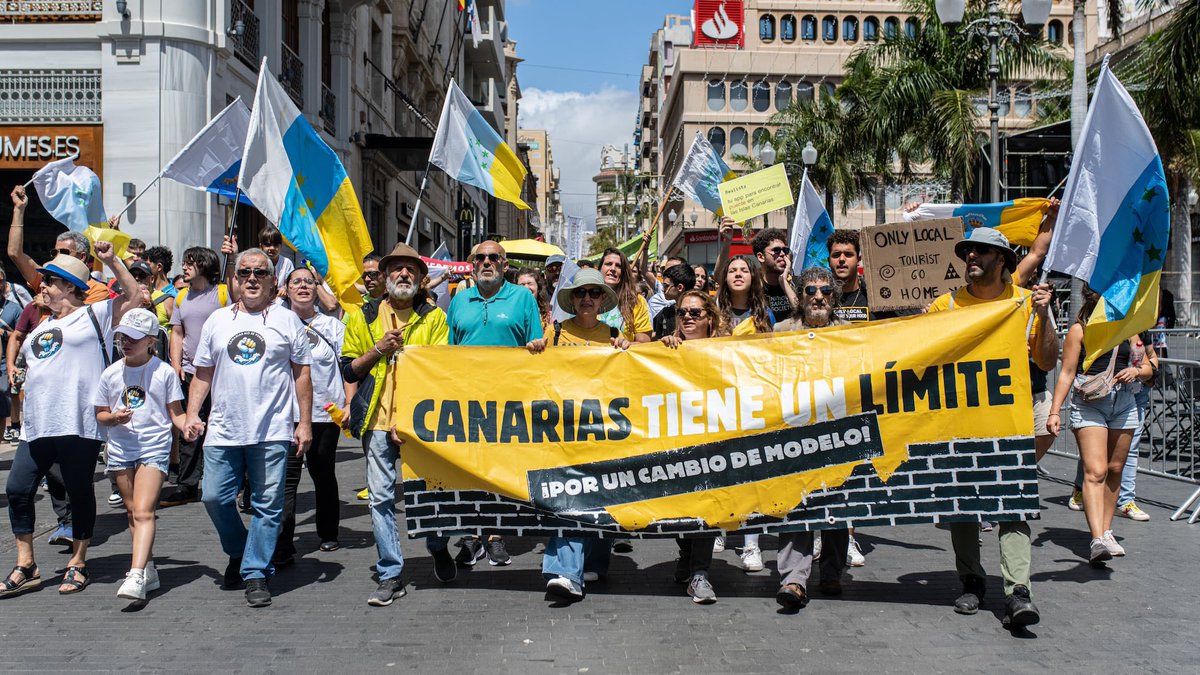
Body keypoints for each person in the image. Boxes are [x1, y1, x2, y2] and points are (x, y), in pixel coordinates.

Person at [927, 227, 1055, 628]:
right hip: (960, 424)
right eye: (968, 252)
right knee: (964, 507)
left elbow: (1048, 361)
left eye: (981, 251)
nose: (972, 258)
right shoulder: (944, 307)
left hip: (1010, 423)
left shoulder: (1024, 304)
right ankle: (971, 581)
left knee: (1013, 505)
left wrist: (1046, 313)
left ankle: (1019, 592)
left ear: (1003, 260)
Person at [2, 241, 140, 597]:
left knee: (79, 492)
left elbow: (135, 295)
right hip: (37, 425)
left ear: (68, 286)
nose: (42, 287)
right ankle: (26, 564)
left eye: (49, 281)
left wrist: (111, 260)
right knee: (18, 489)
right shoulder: (39, 325)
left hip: (78, 423)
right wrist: (20, 372)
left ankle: (78, 561)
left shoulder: (96, 315)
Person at [185, 247, 313, 608]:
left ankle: (256, 571)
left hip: (272, 429)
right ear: (236, 279)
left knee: (268, 504)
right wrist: (193, 413)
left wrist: (304, 423)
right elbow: (203, 373)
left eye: (260, 273)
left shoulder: (287, 320)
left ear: (274, 281)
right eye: (245, 272)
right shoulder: (217, 320)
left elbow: (302, 374)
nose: (252, 278)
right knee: (214, 496)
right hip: (224, 429)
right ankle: (240, 552)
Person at [342, 242, 452, 606]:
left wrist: (405, 417)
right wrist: (378, 349)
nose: (403, 274)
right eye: (396, 269)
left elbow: (437, 373)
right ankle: (391, 572)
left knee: (429, 493)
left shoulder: (434, 318)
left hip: (417, 423)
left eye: (411, 269)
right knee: (381, 499)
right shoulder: (363, 315)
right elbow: (349, 368)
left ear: (422, 279)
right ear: (385, 277)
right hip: (376, 421)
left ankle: (437, 546)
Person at [529, 268, 628, 600]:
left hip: (603, 430)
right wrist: (535, 349)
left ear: (602, 300)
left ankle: (595, 562)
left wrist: (628, 352)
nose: (587, 298)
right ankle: (565, 572)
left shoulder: (613, 334)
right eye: (581, 293)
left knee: (601, 494)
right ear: (572, 299)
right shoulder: (554, 332)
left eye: (594, 293)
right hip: (564, 430)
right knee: (571, 496)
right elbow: (536, 373)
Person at [447, 240, 543, 567]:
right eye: (480, 258)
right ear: (472, 265)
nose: (486, 262)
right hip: (467, 404)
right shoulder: (458, 302)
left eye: (494, 258)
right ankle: (473, 537)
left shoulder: (523, 299)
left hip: (509, 404)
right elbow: (447, 354)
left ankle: (497, 536)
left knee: (502, 472)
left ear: (504, 265)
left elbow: (537, 347)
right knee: (470, 471)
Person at [1048, 287, 1152, 563]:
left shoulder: (1129, 328)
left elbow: (1149, 367)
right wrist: (1055, 411)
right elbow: (1066, 373)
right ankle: (1096, 539)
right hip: (1090, 403)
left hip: (1125, 402)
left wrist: (1136, 370)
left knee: (1115, 469)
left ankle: (1106, 531)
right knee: (1095, 471)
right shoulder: (1079, 331)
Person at [93, 309, 187, 601]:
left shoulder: (164, 372)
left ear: (150, 341)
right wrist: (114, 418)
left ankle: (135, 574)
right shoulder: (111, 373)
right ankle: (148, 567)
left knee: (144, 511)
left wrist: (191, 426)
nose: (125, 342)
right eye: (122, 336)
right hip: (121, 449)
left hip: (153, 447)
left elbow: (176, 415)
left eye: (133, 338)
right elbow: (100, 414)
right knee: (133, 513)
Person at [772, 267, 852, 608]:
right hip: (795, 432)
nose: (818, 296)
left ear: (834, 298)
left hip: (838, 431)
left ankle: (832, 571)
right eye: (810, 291)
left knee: (837, 504)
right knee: (795, 504)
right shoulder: (781, 331)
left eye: (825, 291)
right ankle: (794, 579)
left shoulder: (851, 334)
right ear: (800, 297)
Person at [275, 266, 351, 565]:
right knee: (287, 481)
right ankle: (283, 545)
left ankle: (328, 532)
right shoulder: (276, 324)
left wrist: (348, 404)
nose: (304, 286)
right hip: (286, 415)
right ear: (286, 288)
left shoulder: (333, 327)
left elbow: (347, 370)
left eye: (310, 282)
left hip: (323, 414)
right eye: (297, 282)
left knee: (322, 474)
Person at [660, 290, 728, 604]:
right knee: (678, 509)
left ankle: (700, 573)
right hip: (675, 442)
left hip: (712, 445)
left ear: (710, 318)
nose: (688, 317)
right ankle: (687, 552)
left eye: (695, 313)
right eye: (683, 312)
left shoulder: (726, 350)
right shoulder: (665, 349)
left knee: (706, 505)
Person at [161, 247, 230, 507]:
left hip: (222, 372)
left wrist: (231, 256)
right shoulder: (181, 297)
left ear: (204, 264)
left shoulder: (223, 293)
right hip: (191, 372)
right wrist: (176, 364)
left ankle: (228, 482)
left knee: (221, 426)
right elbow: (177, 333)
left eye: (190, 263)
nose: (185, 268)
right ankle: (187, 485)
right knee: (190, 428)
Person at [1068, 332, 1158, 522]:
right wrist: (1054, 412)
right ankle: (1082, 492)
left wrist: (1140, 371)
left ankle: (1124, 502)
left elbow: (1150, 357)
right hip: (1098, 393)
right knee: (1096, 460)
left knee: (1122, 459)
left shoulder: (1138, 327)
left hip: (1132, 394)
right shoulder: (1090, 326)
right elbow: (1068, 370)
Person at [8, 186, 110, 305]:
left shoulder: (97, 290)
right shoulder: (46, 279)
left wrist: (49, 303)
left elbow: (84, 315)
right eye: (55, 252)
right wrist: (18, 209)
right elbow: (14, 253)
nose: (57, 257)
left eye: (64, 252)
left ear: (82, 256)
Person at [596, 248, 652, 343]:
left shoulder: (636, 301)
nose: (613, 269)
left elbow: (644, 341)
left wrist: (626, 345)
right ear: (600, 268)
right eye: (608, 264)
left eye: (618, 266)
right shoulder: (585, 296)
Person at [715, 254, 773, 337]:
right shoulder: (714, 313)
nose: (738, 274)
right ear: (725, 278)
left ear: (752, 277)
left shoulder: (765, 314)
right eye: (732, 271)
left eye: (744, 271)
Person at [750, 225, 799, 317]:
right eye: (776, 250)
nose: (782, 254)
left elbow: (803, 315)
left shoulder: (795, 283)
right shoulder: (753, 285)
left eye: (785, 250)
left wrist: (784, 282)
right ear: (761, 257)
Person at [826, 230, 872, 323]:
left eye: (848, 254)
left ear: (858, 260)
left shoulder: (873, 298)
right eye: (836, 255)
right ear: (829, 261)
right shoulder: (819, 299)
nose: (842, 259)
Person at [652, 262, 696, 340]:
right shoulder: (664, 314)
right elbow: (658, 343)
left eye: (665, 285)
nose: (662, 289)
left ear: (679, 287)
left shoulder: (704, 312)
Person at [144, 246, 177, 327]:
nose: (144, 268)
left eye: (148, 265)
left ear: (159, 266)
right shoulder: (145, 290)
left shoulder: (175, 295)